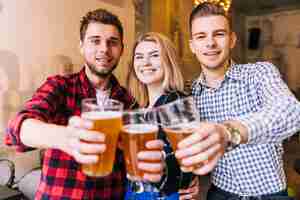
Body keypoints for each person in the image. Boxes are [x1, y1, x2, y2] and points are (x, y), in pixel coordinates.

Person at [5, 9, 165, 200]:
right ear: (81, 46)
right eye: (95, 41)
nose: (104, 49)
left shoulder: (128, 100)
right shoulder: (60, 86)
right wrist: (65, 137)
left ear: (121, 49)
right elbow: (17, 128)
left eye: (112, 42)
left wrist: (176, 180)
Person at [174, 2, 300, 200]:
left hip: (270, 195)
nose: (210, 43)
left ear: (232, 39)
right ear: (192, 46)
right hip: (219, 194)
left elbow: (291, 112)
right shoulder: (190, 94)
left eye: (219, 34)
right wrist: (190, 177)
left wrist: (230, 131)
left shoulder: (259, 73)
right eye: (201, 36)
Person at [126, 32, 200, 200]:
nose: (145, 62)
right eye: (139, 57)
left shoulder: (177, 102)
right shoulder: (136, 107)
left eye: (154, 55)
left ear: (168, 61)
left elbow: (188, 165)